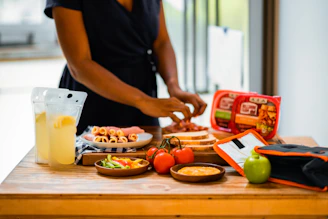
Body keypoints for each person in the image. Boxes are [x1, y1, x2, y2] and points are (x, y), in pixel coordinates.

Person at [44, 0, 207, 134]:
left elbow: (161, 42)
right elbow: (79, 64)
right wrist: (143, 101)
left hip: (143, 97)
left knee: (145, 164)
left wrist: (173, 86)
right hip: (90, 98)